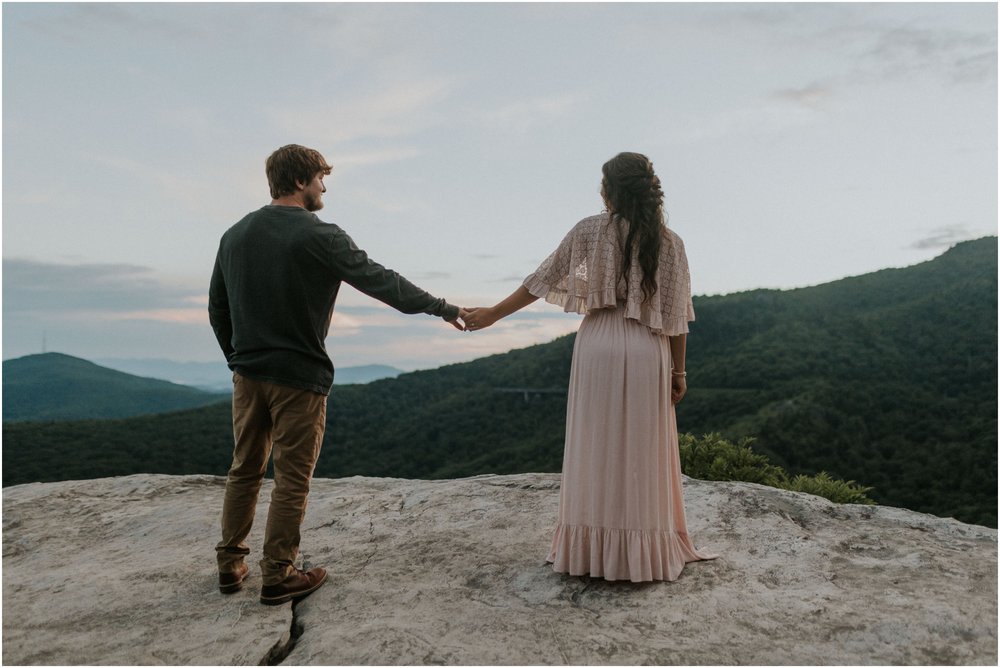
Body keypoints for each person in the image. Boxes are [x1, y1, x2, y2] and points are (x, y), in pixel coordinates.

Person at [209, 144, 467, 605]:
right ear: (301, 181)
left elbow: (217, 308)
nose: (324, 187)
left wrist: (238, 357)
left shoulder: (234, 235)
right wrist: (441, 307)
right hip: (299, 377)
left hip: (248, 375)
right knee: (292, 478)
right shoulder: (318, 235)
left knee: (243, 469)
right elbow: (381, 281)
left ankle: (230, 566)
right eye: (321, 179)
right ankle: (278, 574)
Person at [463, 152, 716, 582]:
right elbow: (677, 318)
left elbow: (540, 280)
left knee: (593, 443)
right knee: (642, 447)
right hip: (646, 349)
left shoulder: (588, 231)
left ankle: (589, 552)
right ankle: (643, 554)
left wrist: (492, 314)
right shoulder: (670, 242)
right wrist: (679, 373)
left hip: (596, 344)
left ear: (611, 190)